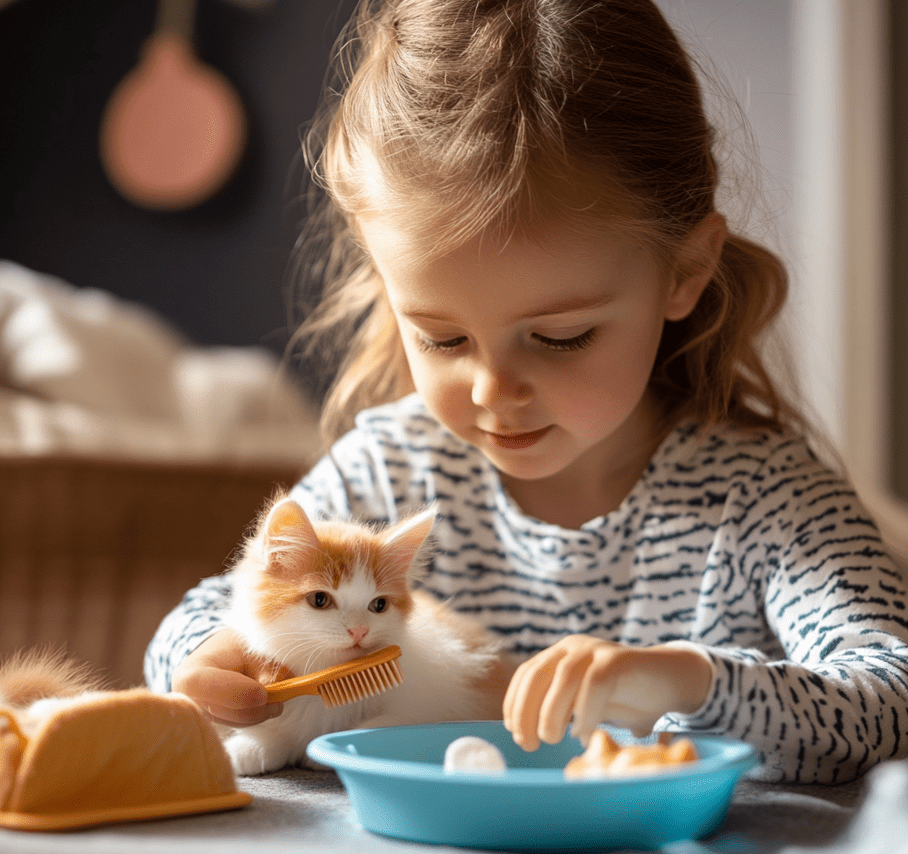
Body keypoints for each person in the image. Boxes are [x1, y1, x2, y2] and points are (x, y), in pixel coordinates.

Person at [145, 0, 908, 784]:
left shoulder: (767, 502)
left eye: (561, 337)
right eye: (442, 339)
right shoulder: (389, 470)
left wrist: (683, 681)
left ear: (684, 271)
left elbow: (893, 699)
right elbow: (193, 626)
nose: (493, 391)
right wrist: (209, 664)